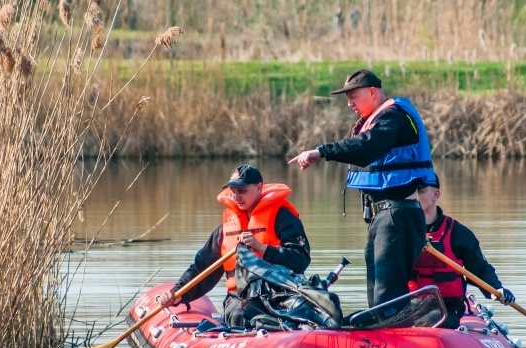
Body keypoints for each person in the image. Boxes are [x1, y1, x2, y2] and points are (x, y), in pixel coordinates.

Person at [289, 69, 437, 307]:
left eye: (353, 97)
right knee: (375, 295)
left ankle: (394, 335)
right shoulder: (377, 118)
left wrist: (321, 151)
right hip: (382, 218)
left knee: (387, 297)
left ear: (372, 92)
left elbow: (367, 147)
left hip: (397, 216)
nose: (349, 104)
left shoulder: (392, 117)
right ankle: (378, 334)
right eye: (347, 98)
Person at [159, 164, 311, 326]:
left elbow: (300, 259)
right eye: (234, 191)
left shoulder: (283, 218)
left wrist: (262, 248)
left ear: (259, 188)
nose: (236, 197)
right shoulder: (226, 228)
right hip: (240, 298)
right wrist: (177, 294)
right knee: (241, 314)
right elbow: (201, 268)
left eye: (242, 191)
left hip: (280, 295)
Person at [411, 180, 515, 329]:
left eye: (420, 191)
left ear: (436, 195)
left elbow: (479, 268)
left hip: (445, 310)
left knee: (431, 319)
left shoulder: (459, 234)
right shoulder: (401, 233)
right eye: (411, 192)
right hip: (410, 307)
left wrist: (497, 289)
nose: (414, 196)